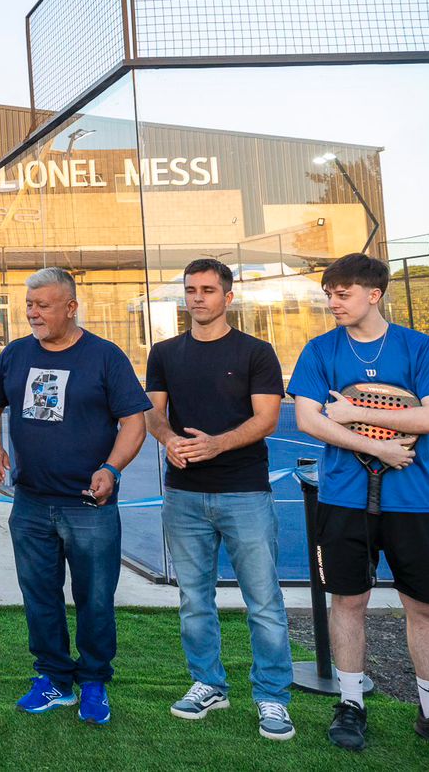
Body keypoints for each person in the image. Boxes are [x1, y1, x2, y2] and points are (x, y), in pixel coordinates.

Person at [288, 253, 429, 762]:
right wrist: (381, 447)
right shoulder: (320, 350)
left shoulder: (419, 347)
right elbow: (308, 420)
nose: (332, 302)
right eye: (330, 293)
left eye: (342, 294)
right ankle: (350, 703)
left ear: (373, 294)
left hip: (414, 502)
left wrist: (355, 411)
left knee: (425, 608)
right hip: (343, 499)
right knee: (348, 602)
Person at [0, 267, 149, 726]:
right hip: (30, 504)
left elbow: (135, 422)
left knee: (94, 597)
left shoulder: (105, 357)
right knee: (40, 596)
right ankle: (54, 678)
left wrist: (111, 468)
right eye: (29, 305)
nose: (33, 313)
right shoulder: (15, 355)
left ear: (70, 307)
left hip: (89, 506)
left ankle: (93, 681)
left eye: (43, 305)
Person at [144, 259, 294, 742]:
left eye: (208, 289)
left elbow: (266, 420)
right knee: (193, 599)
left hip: (245, 492)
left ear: (228, 297)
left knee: (264, 601)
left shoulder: (256, 352)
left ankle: (272, 696)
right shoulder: (164, 352)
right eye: (190, 289)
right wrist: (169, 440)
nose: (197, 297)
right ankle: (208, 683)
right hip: (183, 496)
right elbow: (154, 415)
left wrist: (215, 444)